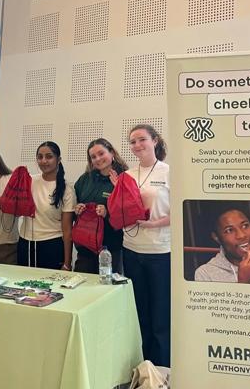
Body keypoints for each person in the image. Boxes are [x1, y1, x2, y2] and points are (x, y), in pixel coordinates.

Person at [113, 123, 170, 367]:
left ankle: (161, 370)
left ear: (154, 140)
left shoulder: (169, 172)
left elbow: (180, 212)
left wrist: (153, 224)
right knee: (139, 313)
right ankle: (142, 365)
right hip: (132, 249)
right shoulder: (127, 176)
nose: (137, 145)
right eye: (132, 142)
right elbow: (120, 211)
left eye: (142, 140)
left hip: (160, 251)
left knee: (160, 316)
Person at [17, 141, 76, 270]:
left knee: (49, 289)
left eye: (49, 156)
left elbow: (67, 230)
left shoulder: (67, 189)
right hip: (25, 244)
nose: (44, 161)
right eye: (40, 157)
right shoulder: (29, 181)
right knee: (23, 287)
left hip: (52, 246)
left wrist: (67, 262)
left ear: (58, 159)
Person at [74, 138, 128, 273]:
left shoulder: (125, 178)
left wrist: (107, 212)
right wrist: (78, 208)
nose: (98, 159)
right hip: (85, 246)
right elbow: (74, 203)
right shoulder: (85, 179)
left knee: (108, 288)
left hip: (111, 248)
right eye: (93, 157)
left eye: (101, 153)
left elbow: (129, 212)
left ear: (111, 153)